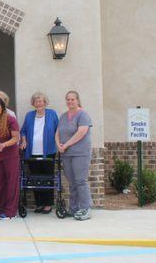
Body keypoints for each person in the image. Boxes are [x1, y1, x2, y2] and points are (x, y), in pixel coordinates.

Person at [56, 90, 93, 221]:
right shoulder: (63, 116)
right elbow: (58, 131)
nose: (70, 101)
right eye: (68, 99)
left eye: (72, 99)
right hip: (67, 154)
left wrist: (65, 145)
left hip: (80, 153)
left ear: (77, 100)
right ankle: (73, 209)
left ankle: (85, 208)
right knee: (72, 182)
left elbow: (81, 132)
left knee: (80, 181)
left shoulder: (83, 115)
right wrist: (59, 145)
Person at [20, 92, 59, 214]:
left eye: (40, 101)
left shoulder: (52, 114)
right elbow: (23, 131)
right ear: (33, 103)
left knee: (48, 178)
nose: (38, 103)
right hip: (33, 153)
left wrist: (59, 143)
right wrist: (24, 140)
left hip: (48, 152)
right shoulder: (29, 115)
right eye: (36, 101)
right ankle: (39, 203)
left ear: (45, 102)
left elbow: (58, 130)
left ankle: (48, 204)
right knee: (36, 179)